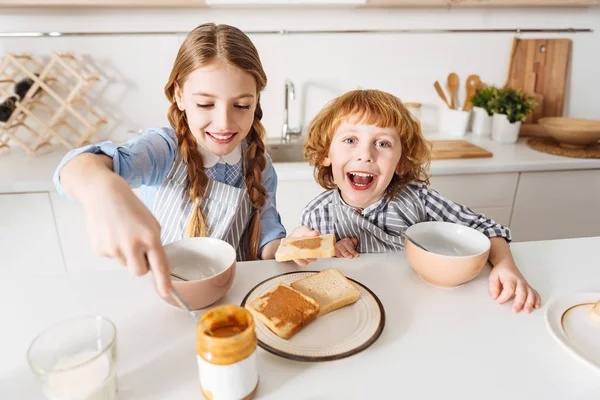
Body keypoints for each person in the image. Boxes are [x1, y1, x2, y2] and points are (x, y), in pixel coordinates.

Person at [54, 23, 286, 297]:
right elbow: (74, 168)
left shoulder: (260, 163)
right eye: (205, 104)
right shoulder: (163, 150)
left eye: (241, 106)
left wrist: (291, 247)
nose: (224, 123)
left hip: (233, 295)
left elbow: (268, 240)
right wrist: (104, 190)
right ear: (179, 95)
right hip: (167, 297)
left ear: (256, 100)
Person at [290, 89, 540, 314]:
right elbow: (302, 268)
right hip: (353, 314)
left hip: (417, 308)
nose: (366, 154)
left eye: (382, 143)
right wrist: (311, 247)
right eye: (350, 140)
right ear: (326, 154)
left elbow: (486, 229)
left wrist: (506, 266)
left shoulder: (418, 200)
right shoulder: (316, 215)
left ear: (400, 162)